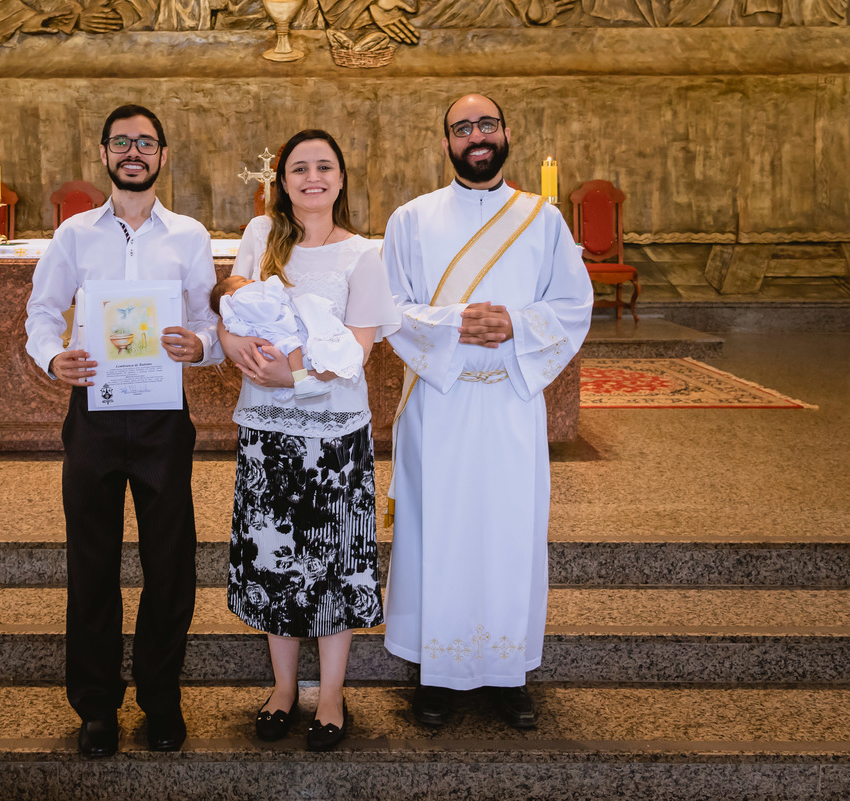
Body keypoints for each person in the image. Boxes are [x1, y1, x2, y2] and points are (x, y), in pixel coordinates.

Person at [380, 93, 593, 729]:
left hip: (509, 403)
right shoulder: (410, 220)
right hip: (439, 404)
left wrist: (516, 325)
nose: (477, 135)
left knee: (509, 533)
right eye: (463, 127)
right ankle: (435, 674)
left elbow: (572, 305)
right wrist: (456, 324)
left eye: (487, 124)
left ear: (505, 133)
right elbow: (391, 306)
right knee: (436, 533)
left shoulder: (543, 220)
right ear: (446, 141)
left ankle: (509, 672)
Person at [25, 103, 221, 757]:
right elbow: (42, 311)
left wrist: (199, 344)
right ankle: (97, 707)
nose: (133, 151)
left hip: (164, 417)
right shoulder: (75, 235)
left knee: (170, 565)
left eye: (146, 142)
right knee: (92, 563)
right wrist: (54, 356)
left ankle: (161, 699)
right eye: (122, 141)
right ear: (104, 152)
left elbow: (210, 324)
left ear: (162, 154)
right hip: (95, 418)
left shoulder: (189, 236)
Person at [218, 129, 399, 752]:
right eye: (299, 168)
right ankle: (283, 689)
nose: (311, 177)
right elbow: (232, 315)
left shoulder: (362, 256)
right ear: (284, 180)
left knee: (334, 566)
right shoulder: (259, 237)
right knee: (275, 565)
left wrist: (290, 377)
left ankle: (330, 694)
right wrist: (236, 346)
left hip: (334, 440)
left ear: (341, 180)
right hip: (269, 434)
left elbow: (358, 350)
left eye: (324, 167)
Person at [211, 273, 364, 400]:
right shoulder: (240, 299)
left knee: (299, 349)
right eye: (244, 281)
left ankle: (292, 384)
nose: (252, 280)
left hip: (272, 336)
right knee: (293, 346)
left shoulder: (243, 301)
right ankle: (301, 380)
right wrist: (273, 285)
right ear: (228, 295)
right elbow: (268, 310)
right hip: (272, 336)